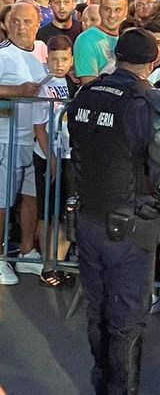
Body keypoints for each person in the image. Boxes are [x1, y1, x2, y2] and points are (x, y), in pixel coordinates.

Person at [66, 28, 160, 394]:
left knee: (98, 308)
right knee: (127, 319)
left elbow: (77, 153)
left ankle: (102, 379)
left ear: (117, 55)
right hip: (131, 225)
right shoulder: (152, 102)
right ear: (152, 62)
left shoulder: (84, 95)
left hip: (89, 218)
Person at [0, 2, 48, 285]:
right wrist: (16, 92)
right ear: (6, 24)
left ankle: (27, 251)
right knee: (3, 202)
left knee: (31, 197)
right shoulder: (3, 54)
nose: (21, 27)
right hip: (7, 139)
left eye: (27, 21)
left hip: (37, 140)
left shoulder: (42, 51)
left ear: (37, 24)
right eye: (15, 21)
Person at [31, 35, 77, 287]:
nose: (59, 64)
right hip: (49, 156)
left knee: (65, 214)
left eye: (64, 59)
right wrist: (51, 159)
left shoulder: (72, 85)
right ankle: (48, 265)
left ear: (71, 59)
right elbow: (40, 128)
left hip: (69, 155)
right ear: (47, 59)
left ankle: (57, 262)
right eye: (54, 59)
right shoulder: (43, 85)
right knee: (49, 213)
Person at [74, 0, 128, 84]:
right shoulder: (86, 39)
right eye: (107, 9)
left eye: (117, 10)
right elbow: (89, 84)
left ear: (126, 12)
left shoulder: (126, 39)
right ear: (100, 10)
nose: (112, 15)